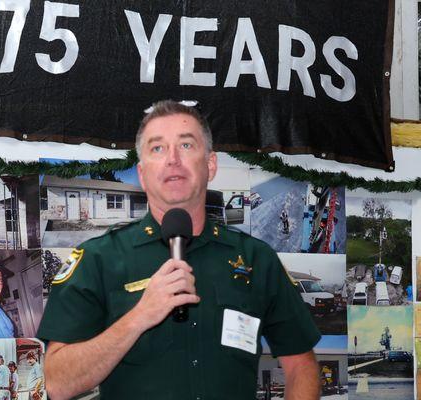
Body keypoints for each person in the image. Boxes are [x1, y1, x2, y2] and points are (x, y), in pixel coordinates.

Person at [36, 100, 321, 399]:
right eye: (157, 148)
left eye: (186, 145)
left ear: (210, 165)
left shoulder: (256, 259)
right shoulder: (98, 259)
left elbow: (301, 364)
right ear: (143, 173)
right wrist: (140, 316)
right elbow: (57, 383)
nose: (173, 159)